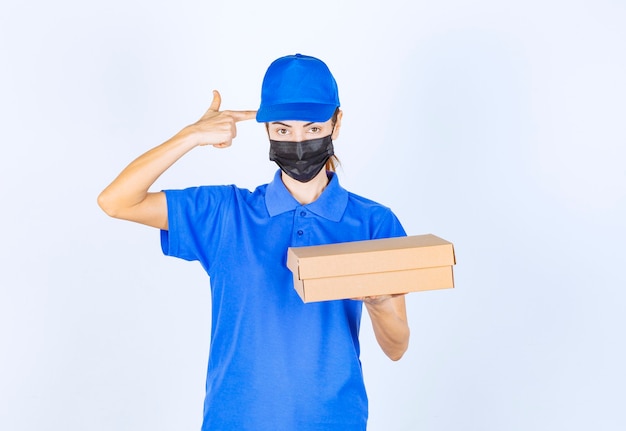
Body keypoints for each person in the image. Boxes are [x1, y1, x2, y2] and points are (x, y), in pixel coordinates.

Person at [98, 53, 410, 431]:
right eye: (283, 130)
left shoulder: (374, 223)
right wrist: (191, 136)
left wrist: (378, 303)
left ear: (336, 122)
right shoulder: (225, 213)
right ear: (265, 130)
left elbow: (396, 347)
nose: (297, 142)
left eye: (312, 129)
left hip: (335, 421)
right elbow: (116, 201)